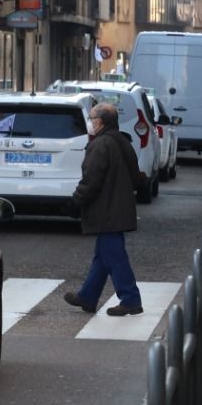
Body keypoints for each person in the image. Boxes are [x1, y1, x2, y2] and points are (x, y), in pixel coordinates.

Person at [64, 102, 144, 317]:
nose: (89, 122)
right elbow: (137, 176)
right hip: (116, 208)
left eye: (91, 118)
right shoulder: (121, 141)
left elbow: (91, 180)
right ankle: (88, 296)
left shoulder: (101, 145)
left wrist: (76, 201)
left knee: (114, 256)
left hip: (107, 210)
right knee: (102, 256)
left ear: (100, 121)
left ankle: (130, 299)